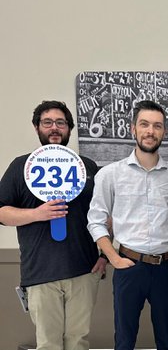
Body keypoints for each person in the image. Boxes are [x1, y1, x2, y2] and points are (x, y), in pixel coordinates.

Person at [0, 100, 106, 350]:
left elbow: (103, 215)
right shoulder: (20, 167)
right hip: (41, 274)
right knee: (48, 344)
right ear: (37, 127)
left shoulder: (88, 167)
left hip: (84, 271)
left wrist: (105, 254)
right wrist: (37, 214)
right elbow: (2, 212)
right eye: (47, 122)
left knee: (78, 341)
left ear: (70, 128)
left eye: (61, 123)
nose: (54, 128)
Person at [87, 100, 168, 350]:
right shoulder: (110, 174)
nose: (150, 131)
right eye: (144, 124)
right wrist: (114, 258)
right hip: (128, 267)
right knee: (124, 339)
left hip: (166, 268)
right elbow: (96, 221)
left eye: (157, 126)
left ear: (164, 132)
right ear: (133, 128)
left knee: (167, 340)